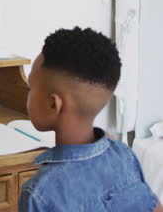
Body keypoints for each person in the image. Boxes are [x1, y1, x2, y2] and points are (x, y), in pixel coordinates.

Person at [19, 27, 163, 212]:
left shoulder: (39, 192)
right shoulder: (123, 154)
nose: (28, 94)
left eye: (31, 87)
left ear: (53, 104)